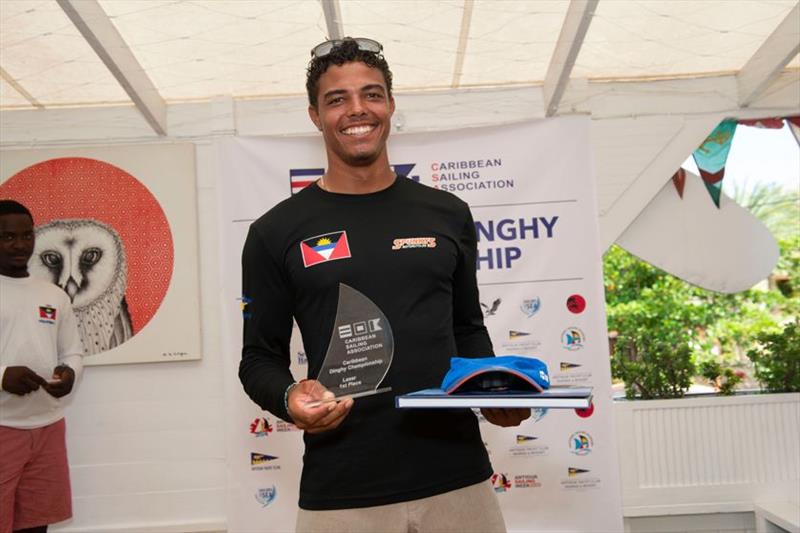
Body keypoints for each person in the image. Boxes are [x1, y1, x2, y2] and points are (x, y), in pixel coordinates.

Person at [240, 37, 529, 533]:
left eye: (372, 94)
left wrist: (493, 390)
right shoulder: (275, 232)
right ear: (315, 115)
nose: (358, 110)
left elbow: (467, 327)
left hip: (457, 478)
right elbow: (258, 359)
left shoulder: (447, 213)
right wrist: (289, 397)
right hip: (342, 489)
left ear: (391, 105)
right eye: (337, 99)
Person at [0, 200, 85, 533]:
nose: (20, 244)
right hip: (3, 426)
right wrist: (2, 376)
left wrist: (70, 374)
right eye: (7, 237)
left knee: (36, 525)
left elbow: (73, 352)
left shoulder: (54, 295)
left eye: (25, 235)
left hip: (49, 425)